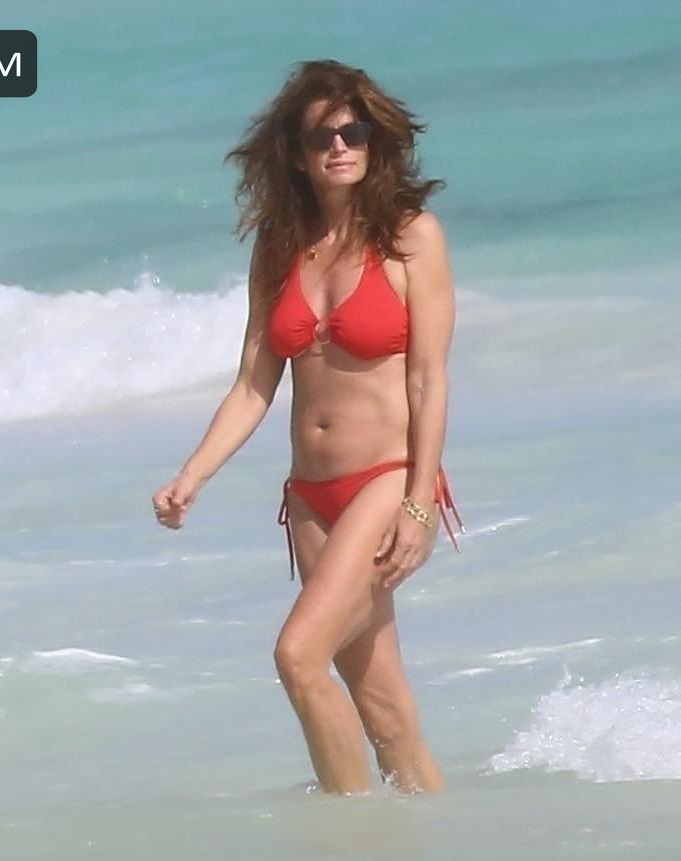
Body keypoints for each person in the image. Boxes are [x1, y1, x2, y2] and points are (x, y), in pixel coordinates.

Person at [150, 59, 464, 796]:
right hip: (311, 498)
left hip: (386, 480)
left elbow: (428, 379)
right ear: (296, 153)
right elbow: (253, 384)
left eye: (354, 132)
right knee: (385, 710)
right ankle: (433, 832)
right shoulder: (279, 247)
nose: (339, 147)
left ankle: (350, 831)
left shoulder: (411, 238)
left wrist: (420, 503)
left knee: (297, 655)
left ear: (375, 141)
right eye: (322, 136)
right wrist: (191, 475)